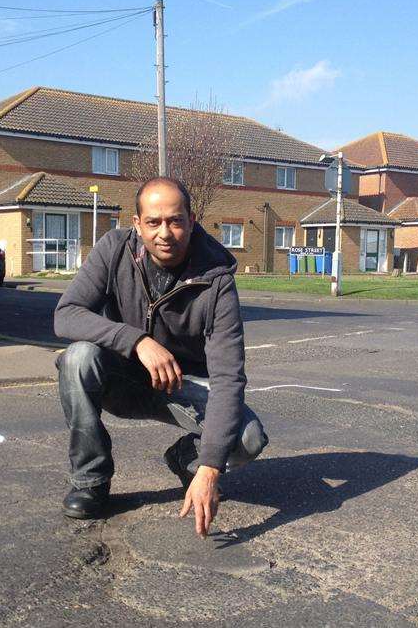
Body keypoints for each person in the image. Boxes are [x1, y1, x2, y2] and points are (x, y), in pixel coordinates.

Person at [53, 177, 268, 537]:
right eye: (153, 222)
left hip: (181, 387)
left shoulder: (216, 280)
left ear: (191, 219)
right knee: (78, 358)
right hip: (122, 378)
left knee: (248, 440)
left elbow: (229, 377)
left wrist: (211, 466)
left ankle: (187, 458)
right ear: (137, 224)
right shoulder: (113, 249)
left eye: (175, 220)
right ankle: (91, 482)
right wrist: (136, 341)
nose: (164, 233)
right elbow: (66, 314)